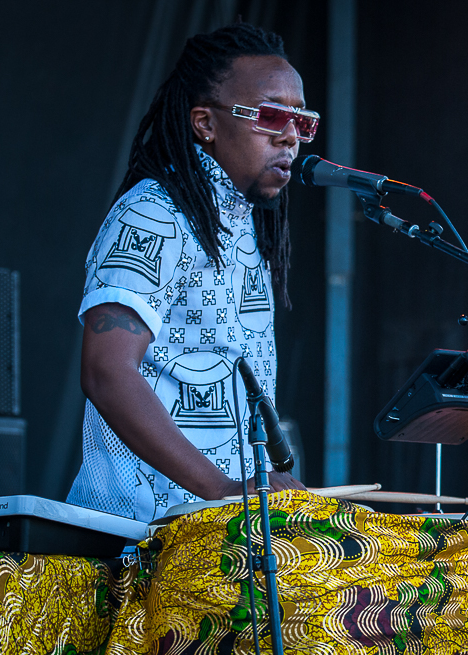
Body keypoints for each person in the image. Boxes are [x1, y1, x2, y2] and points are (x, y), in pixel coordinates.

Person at [67, 23, 316, 521]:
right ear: (205, 123)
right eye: (271, 116)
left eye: (303, 122)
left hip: (217, 532)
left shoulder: (244, 226)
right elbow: (107, 370)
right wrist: (223, 490)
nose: (290, 136)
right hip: (139, 541)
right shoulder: (155, 215)